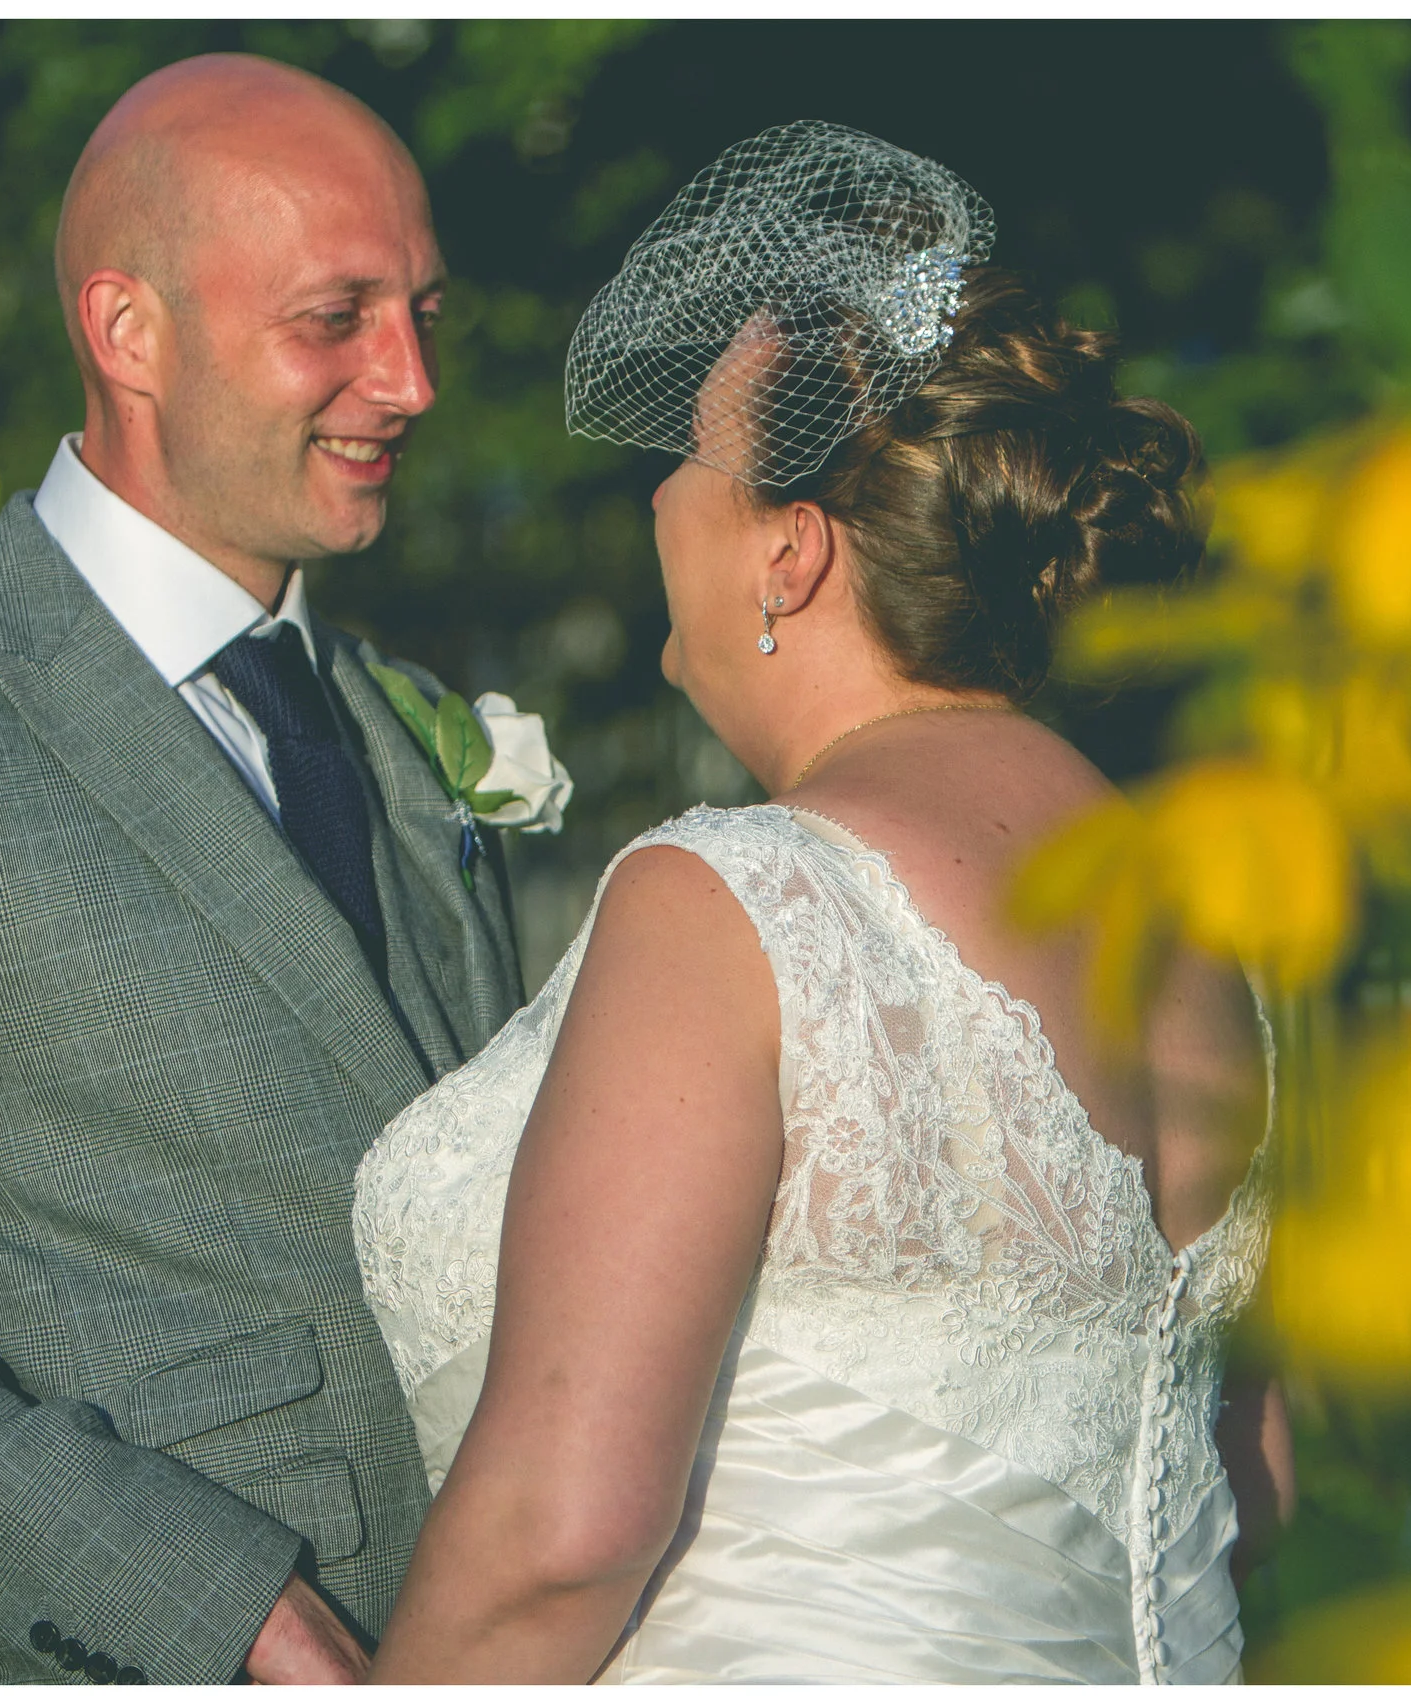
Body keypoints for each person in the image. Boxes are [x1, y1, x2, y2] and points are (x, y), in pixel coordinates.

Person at [352, 122, 1294, 1684]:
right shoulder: (1201, 941)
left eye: (689, 456)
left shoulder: (735, 899)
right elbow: (1253, 1491)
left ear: (789, 555)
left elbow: (557, 1540)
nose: (656, 503)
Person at [0, 55, 524, 1684]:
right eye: (335, 319)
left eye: (422, 311)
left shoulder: (391, 726)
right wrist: (224, 1606)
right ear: (129, 332)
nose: (408, 381)